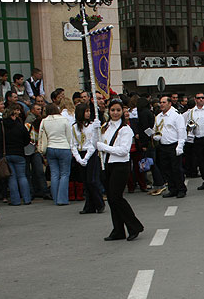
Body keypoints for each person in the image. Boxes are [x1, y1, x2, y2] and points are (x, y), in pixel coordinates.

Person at [96, 98, 144, 241]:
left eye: (118, 110)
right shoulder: (105, 127)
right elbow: (97, 144)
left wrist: (104, 147)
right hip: (107, 165)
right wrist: (94, 129)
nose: (115, 113)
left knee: (116, 197)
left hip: (120, 165)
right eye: (112, 110)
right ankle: (118, 230)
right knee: (111, 199)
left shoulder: (126, 129)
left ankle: (134, 226)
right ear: (108, 111)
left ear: (122, 112)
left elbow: (123, 151)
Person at [0, 104, 32, 206]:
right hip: (19, 153)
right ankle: (27, 199)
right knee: (22, 176)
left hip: (5, 154)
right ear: (12, 115)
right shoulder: (19, 126)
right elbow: (27, 140)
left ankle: (15, 200)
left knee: (11, 177)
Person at [71, 102, 104, 214]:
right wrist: (78, 158)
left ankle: (99, 203)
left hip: (91, 154)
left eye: (89, 111)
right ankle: (89, 206)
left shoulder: (91, 126)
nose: (88, 113)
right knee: (85, 182)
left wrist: (86, 157)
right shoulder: (74, 127)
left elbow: (93, 143)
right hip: (80, 154)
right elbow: (73, 144)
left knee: (92, 181)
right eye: (86, 111)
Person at [38, 104, 72, 205]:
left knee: (54, 174)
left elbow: (41, 136)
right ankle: (63, 199)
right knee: (65, 174)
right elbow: (69, 136)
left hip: (50, 147)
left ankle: (55, 198)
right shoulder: (64, 119)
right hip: (64, 147)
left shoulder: (44, 121)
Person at [153, 95, 187, 198]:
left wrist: (180, 146)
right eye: (161, 102)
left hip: (174, 145)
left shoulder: (176, 116)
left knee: (176, 169)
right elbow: (156, 129)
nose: (162, 104)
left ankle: (181, 189)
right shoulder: (158, 117)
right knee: (166, 169)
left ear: (169, 103)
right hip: (163, 146)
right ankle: (172, 189)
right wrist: (155, 136)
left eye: (164, 102)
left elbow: (181, 131)